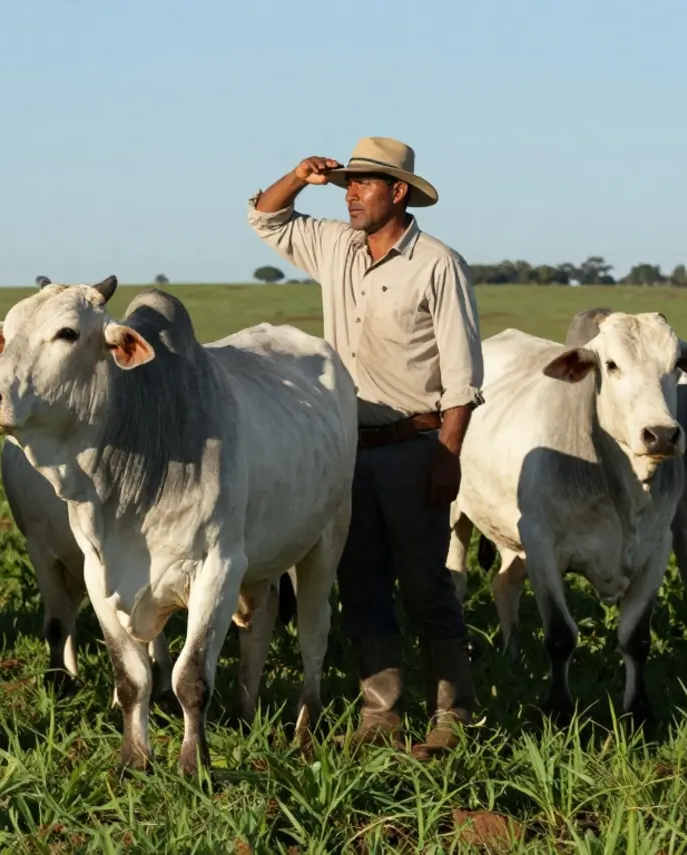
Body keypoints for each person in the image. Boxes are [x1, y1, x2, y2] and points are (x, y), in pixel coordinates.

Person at [246, 137, 483, 760]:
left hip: (415, 443)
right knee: (362, 585)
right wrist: (299, 176)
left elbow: (462, 375)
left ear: (398, 193)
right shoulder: (336, 247)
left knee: (427, 585)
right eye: (346, 182)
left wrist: (447, 454)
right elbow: (265, 216)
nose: (349, 194)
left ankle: (452, 717)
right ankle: (381, 714)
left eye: (363, 184)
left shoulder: (437, 264)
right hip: (345, 450)